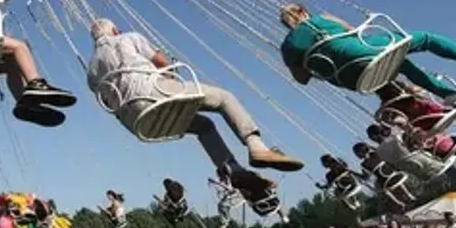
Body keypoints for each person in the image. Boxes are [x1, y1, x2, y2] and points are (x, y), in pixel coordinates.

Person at [87, 19, 300, 203]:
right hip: (154, 93)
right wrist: (170, 77)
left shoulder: (91, 69)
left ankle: (233, 170)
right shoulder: (127, 38)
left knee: (204, 126)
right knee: (224, 98)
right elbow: (161, 61)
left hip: (135, 121)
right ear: (115, 31)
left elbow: (106, 101)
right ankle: (256, 146)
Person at [278, 3, 456, 95]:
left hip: (352, 80)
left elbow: (302, 79)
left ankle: (450, 96)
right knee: (425, 38)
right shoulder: (322, 18)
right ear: (303, 12)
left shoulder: (287, 48)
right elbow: (355, 30)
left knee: (402, 64)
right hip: (366, 54)